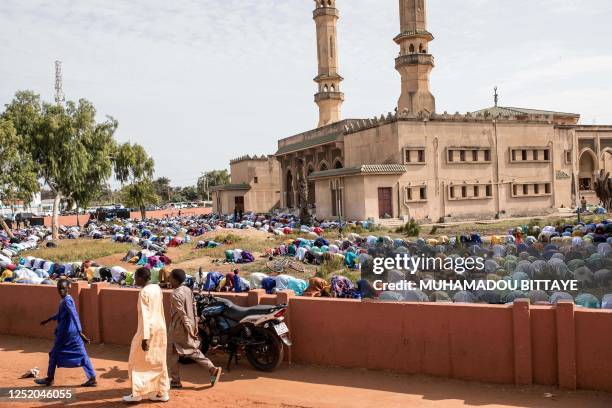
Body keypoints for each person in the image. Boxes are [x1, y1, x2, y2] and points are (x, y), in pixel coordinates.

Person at [35, 279, 97, 387]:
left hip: (66, 334)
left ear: (68, 287)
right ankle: (92, 378)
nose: (61, 291)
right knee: (82, 353)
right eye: (59, 289)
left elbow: (74, 315)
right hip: (72, 333)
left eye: (63, 288)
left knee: (54, 353)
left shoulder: (67, 300)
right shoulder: (65, 300)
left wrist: (81, 332)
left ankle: (50, 378)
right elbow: (60, 314)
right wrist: (49, 319)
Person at [167, 269, 222, 389]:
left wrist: (190, 330)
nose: (169, 279)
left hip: (179, 327)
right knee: (182, 350)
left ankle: (211, 369)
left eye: (170, 277)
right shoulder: (187, 289)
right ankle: (176, 380)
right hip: (189, 323)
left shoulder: (175, 294)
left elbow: (182, 314)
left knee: (180, 351)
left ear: (175, 280)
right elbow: (194, 306)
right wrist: (195, 325)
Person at [123, 267, 170, 403]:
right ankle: (162, 393)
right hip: (160, 329)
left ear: (143, 278)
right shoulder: (157, 288)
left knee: (135, 360)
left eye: (136, 277)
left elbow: (145, 316)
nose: (134, 279)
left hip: (148, 331)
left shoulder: (143, 292)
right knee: (159, 361)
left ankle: (136, 394)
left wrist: (145, 337)